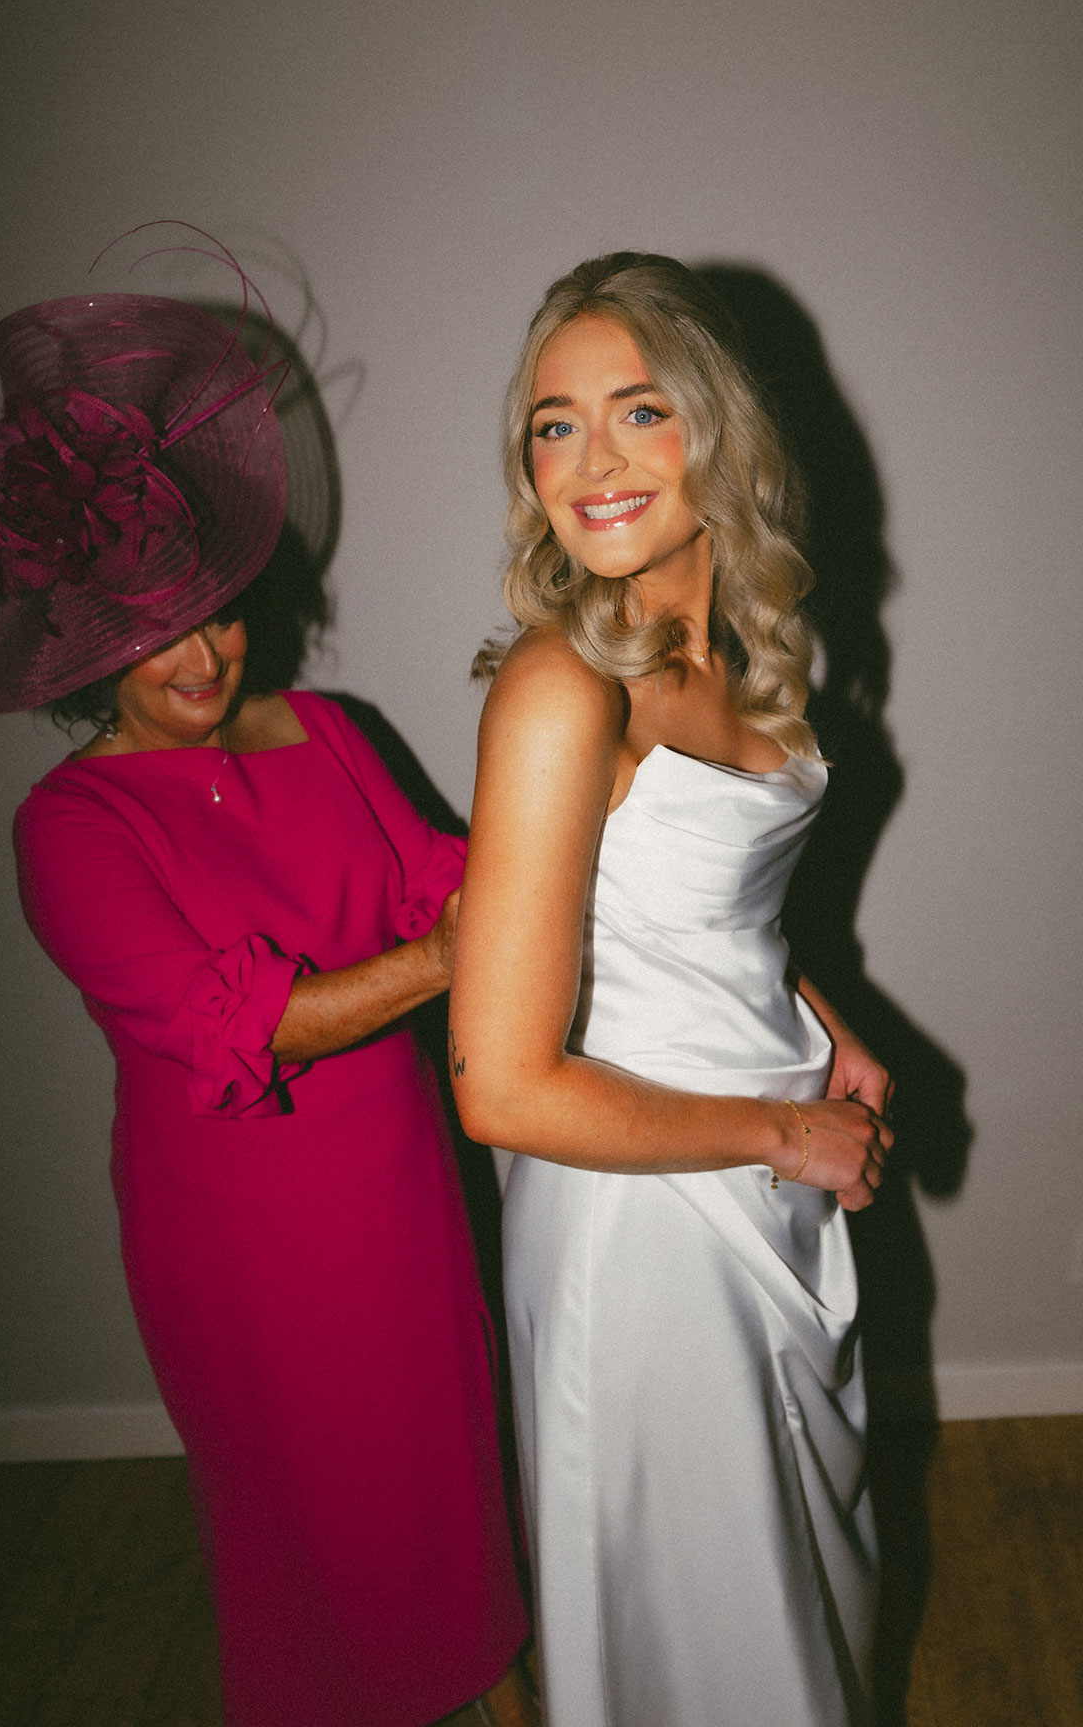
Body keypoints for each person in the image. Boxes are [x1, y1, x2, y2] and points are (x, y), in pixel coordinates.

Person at [0, 277, 534, 1726]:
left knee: (442, 1461)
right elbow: (235, 1025)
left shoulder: (332, 730)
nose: (204, 657)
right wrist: (454, 957)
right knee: (315, 1510)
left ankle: (493, 1679)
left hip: (400, 1187)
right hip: (241, 1237)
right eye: (155, 635)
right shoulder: (69, 829)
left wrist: (585, 791)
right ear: (77, 643)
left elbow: (451, 874)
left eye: (217, 616)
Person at [448, 252, 894, 1727]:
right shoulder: (561, 688)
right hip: (638, 1221)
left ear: (718, 428)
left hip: (752, 1159)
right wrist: (776, 1133)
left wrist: (821, 1023)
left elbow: (691, 898)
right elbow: (501, 1085)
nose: (591, 460)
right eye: (553, 424)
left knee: (790, 1582)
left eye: (637, 410)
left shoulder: (753, 648)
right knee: (704, 1616)